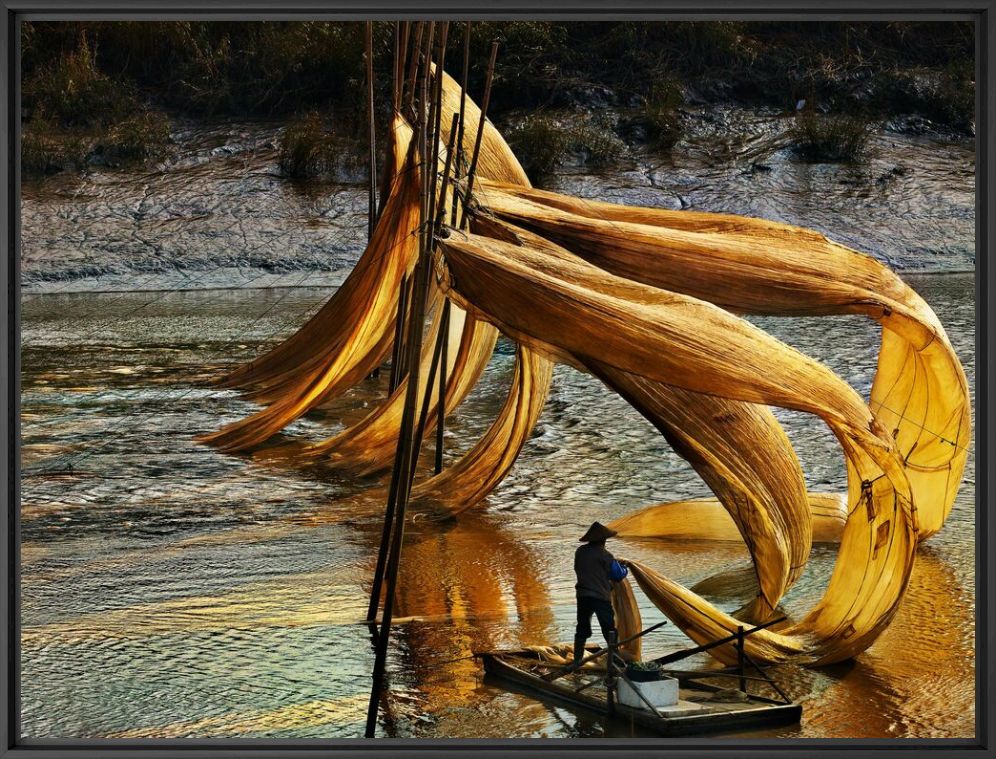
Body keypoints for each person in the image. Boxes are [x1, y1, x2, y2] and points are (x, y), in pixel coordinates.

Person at [573, 521, 628, 667]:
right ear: (603, 540)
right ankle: (615, 660)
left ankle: (577, 661)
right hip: (600, 597)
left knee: (582, 628)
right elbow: (617, 575)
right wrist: (624, 568)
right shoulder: (606, 555)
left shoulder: (580, 552)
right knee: (609, 628)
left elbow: (580, 569)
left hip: (582, 595)